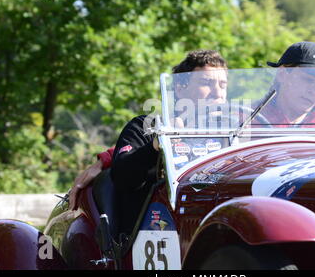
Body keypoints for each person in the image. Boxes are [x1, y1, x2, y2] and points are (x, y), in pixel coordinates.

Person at [68, 50, 228, 210]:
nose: (218, 92)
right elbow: (122, 177)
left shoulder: (240, 132)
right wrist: (158, 143)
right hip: (163, 223)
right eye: (206, 83)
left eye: (223, 85)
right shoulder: (146, 126)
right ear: (180, 89)